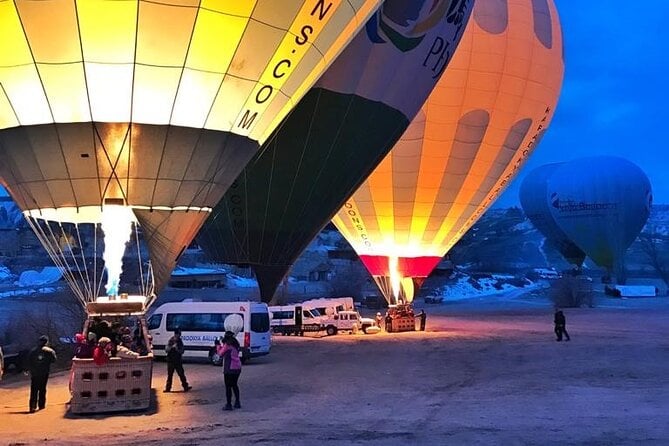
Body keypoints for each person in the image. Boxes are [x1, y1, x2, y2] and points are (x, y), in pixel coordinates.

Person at [27, 335, 57, 413]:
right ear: (46, 342)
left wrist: (30, 370)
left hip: (35, 373)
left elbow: (29, 362)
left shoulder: (33, 351)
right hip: (44, 372)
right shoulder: (50, 351)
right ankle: (41, 405)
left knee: (34, 390)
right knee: (42, 389)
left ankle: (32, 406)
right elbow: (54, 360)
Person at [217, 331, 242, 410]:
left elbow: (220, 354)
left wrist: (217, 345)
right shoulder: (235, 345)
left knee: (228, 387)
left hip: (229, 368)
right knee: (234, 385)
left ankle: (229, 404)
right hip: (237, 368)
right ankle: (237, 402)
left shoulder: (227, 345)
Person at [164, 328, 191, 392]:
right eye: (178, 334)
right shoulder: (171, 340)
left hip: (177, 360)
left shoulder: (179, 341)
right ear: (176, 334)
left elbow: (182, 351)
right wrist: (171, 347)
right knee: (170, 375)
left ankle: (185, 386)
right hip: (171, 360)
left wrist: (177, 349)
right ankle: (168, 388)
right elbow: (166, 350)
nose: (179, 336)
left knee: (181, 374)